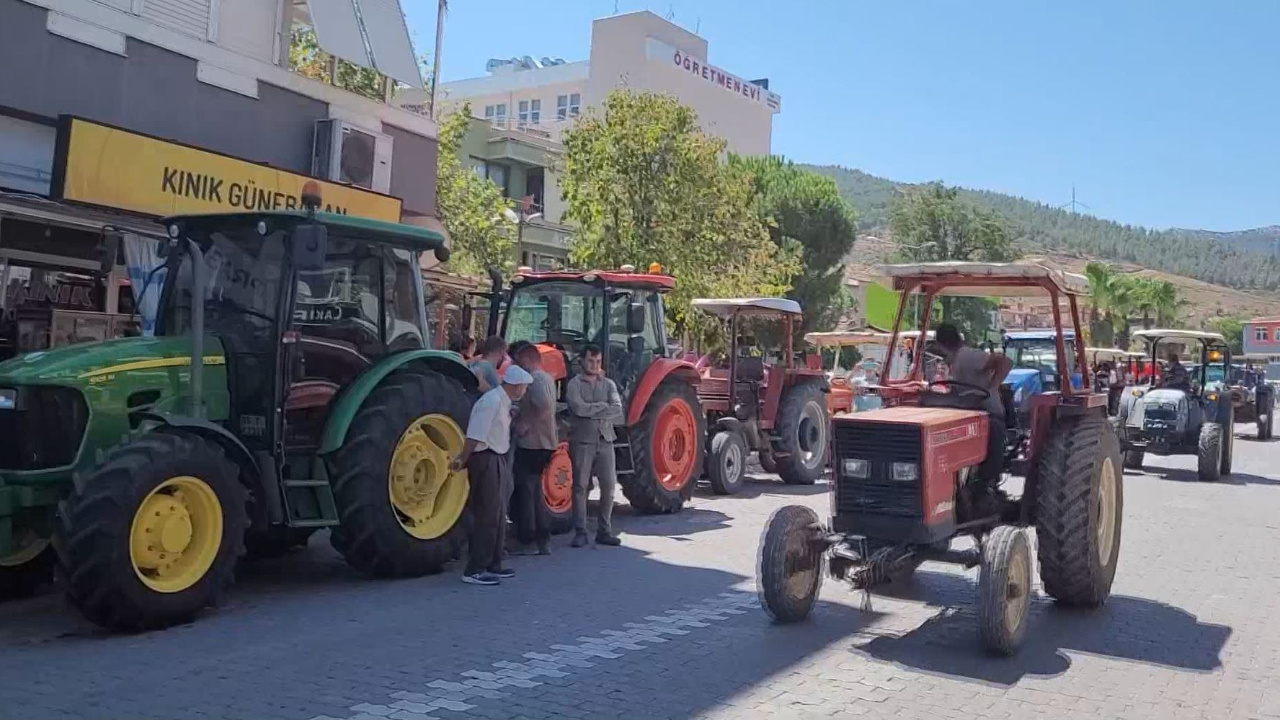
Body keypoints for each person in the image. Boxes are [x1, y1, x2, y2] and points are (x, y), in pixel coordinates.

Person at [450, 364, 532, 586]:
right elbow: (475, 435)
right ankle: (475, 569)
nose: (525, 391)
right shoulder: (491, 402)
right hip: (485, 458)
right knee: (487, 514)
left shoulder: (501, 401)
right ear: (515, 387)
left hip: (495, 456)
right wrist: (461, 459)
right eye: (524, 387)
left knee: (497, 513)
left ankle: (493, 563)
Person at [934, 324, 1013, 500]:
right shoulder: (954, 361)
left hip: (987, 411)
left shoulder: (967, 356)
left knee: (993, 431)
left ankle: (985, 483)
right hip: (968, 412)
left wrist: (992, 386)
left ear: (941, 344)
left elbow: (1005, 362)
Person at [565, 344, 623, 548]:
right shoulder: (574, 384)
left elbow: (617, 408)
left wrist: (593, 410)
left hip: (605, 439)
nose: (595, 365)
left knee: (608, 485)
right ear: (582, 361)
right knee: (581, 486)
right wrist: (601, 407)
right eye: (591, 361)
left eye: (598, 362)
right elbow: (578, 408)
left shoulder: (608, 384)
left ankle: (604, 530)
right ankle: (580, 531)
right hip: (582, 441)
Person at [511, 343, 556, 555]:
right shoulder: (547, 378)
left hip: (533, 443)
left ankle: (528, 537)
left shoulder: (535, 380)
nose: (516, 366)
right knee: (535, 489)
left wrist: (525, 424)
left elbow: (544, 406)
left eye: (518, 362)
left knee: (527, 491)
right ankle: (543, 538)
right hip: (544, 443)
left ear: (528, 359)